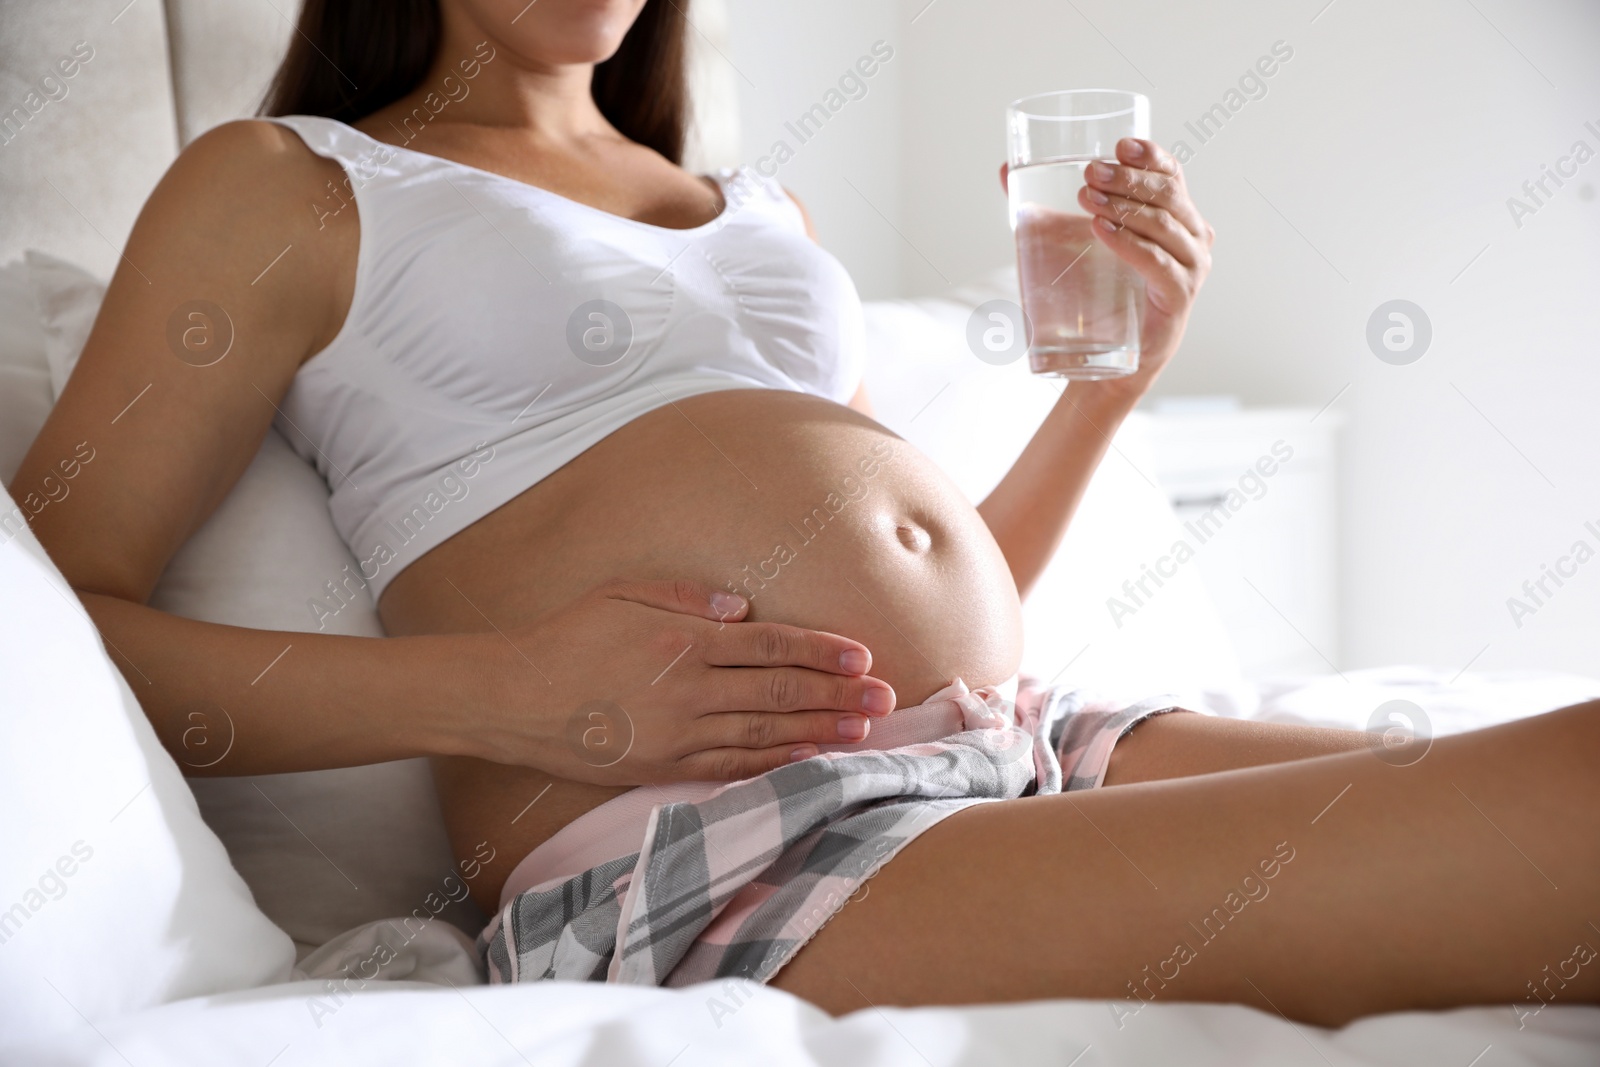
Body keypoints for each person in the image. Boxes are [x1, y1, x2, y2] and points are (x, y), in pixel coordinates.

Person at [17, 0, 1597, 1026]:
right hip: (719, 850)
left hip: (1012, 736)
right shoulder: (292, 182)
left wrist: (1116, 380)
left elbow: (931, 572)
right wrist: (513, 696)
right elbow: (45, 609)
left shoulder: (757, 212)